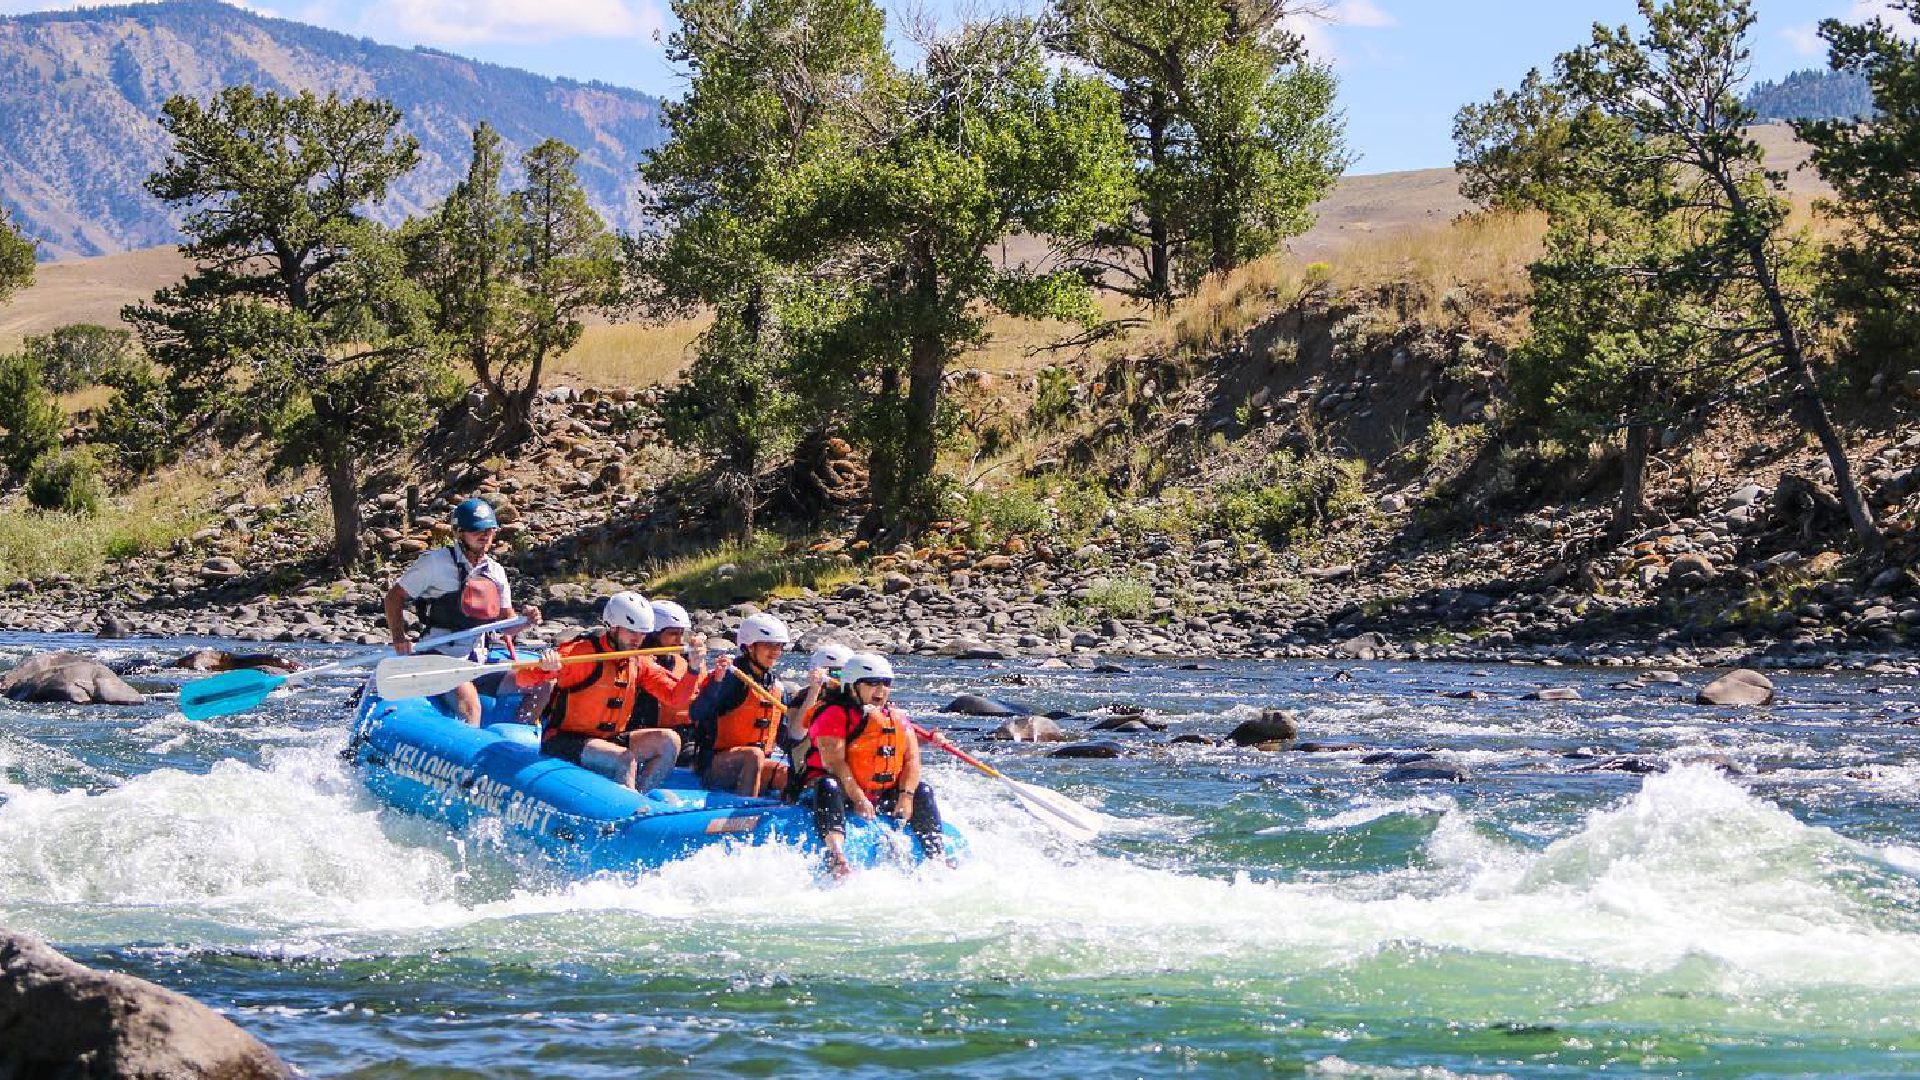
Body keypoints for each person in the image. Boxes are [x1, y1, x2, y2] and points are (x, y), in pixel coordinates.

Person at [385, 497, 540, 725]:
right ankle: (468, 754)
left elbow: (507, 625)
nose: (485, 536)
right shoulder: (435, 563)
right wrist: (399, 637)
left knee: (542, 683)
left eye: (489, 530)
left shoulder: (496, 572)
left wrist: (526, 621)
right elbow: (393, 597)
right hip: (439, 658)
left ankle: (516, 741)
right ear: (459, 533)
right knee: (471, 704)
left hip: (479, 661)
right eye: (477, 530)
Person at [514, 592, 686, 792]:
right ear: (613, 627)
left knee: (669, 742)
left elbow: (675, 697)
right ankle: (627, 812)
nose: (637, 640)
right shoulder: (582, 654)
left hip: (608, 741)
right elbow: (521, 678)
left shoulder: (638, 661)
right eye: (632, 632)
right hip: (564, 740)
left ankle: (638, 798)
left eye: (642, 633)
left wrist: (693, 670)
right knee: (626, 759)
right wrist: (544, 668)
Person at [797, 652, 946, 877]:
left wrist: (905, 796)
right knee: (828, 785)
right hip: (840, 792)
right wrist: (859, 798)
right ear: (853, 686)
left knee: (922, 791)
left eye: (886, 683)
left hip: (878, 792)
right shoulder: (833, 713)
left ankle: (937, 857)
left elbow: (911, 759)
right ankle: (836, 855)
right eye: (873, 683)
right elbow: (835, 764)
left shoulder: (896, 717)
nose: (881, 690)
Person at [689, 613, 793, 797]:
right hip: (715, 765)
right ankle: (744, 809)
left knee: (789, 775)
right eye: (769, 645)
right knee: (753, 756)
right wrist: (716, 682)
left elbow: (784, 737)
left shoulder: (776, 686)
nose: (776, 651)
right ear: (749, 647)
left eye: (779, 646)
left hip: (757, 763)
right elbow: (696, 713)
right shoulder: (729, 677)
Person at [628, 600, 724, 764]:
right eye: (673, 634)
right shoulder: (636, 662)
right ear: (654, 633)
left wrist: (716, 680)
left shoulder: (687, 662)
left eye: (681, 634)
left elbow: (701, 708)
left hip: (685, 738)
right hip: (647, 739)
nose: (680, 641)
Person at [778, 642, 854, 800]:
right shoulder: (802, 698)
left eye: (845, 674)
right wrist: (814, 690)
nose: (841, 680)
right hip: (809, 778)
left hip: (843, 773)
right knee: (829, 785)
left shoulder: (852, 700)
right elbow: (796, 734)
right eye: (836, 673)